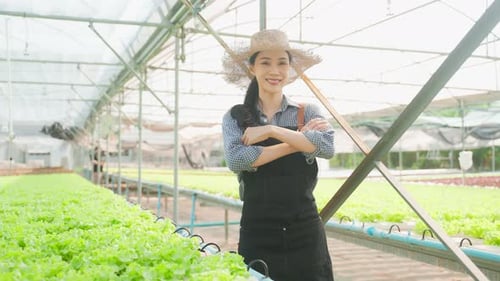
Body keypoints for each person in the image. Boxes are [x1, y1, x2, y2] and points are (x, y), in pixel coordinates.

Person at [221, 29, 335, 281]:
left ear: (290, 68)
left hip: (304, 227)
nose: (275, 70)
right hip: (258, 228)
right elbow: (237, 160)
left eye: (282, 63)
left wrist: (272, 130)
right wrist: (299, 140)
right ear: (252, 68)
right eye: (265, 62)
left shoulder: (306, 111)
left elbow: (327, 147)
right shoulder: (235, 117)